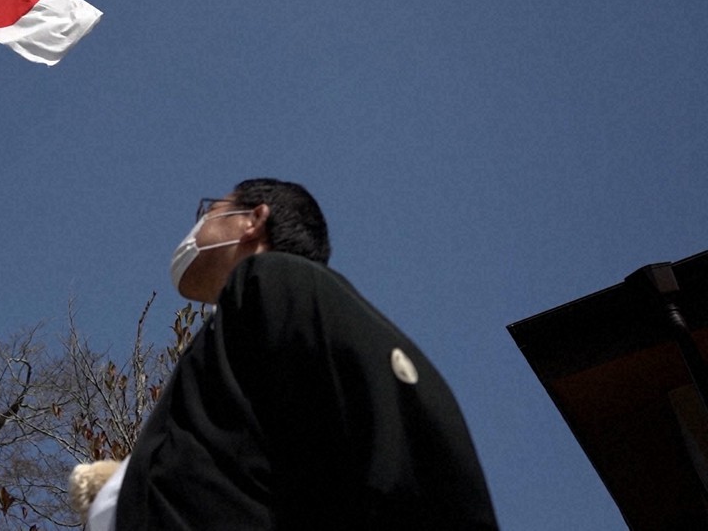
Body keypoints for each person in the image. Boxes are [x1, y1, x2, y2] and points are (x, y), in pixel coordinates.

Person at [108, 178, 498, 529]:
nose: (197, 227)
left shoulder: (274, 283)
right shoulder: (246, 330)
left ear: (254, 219)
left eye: (209, 211)